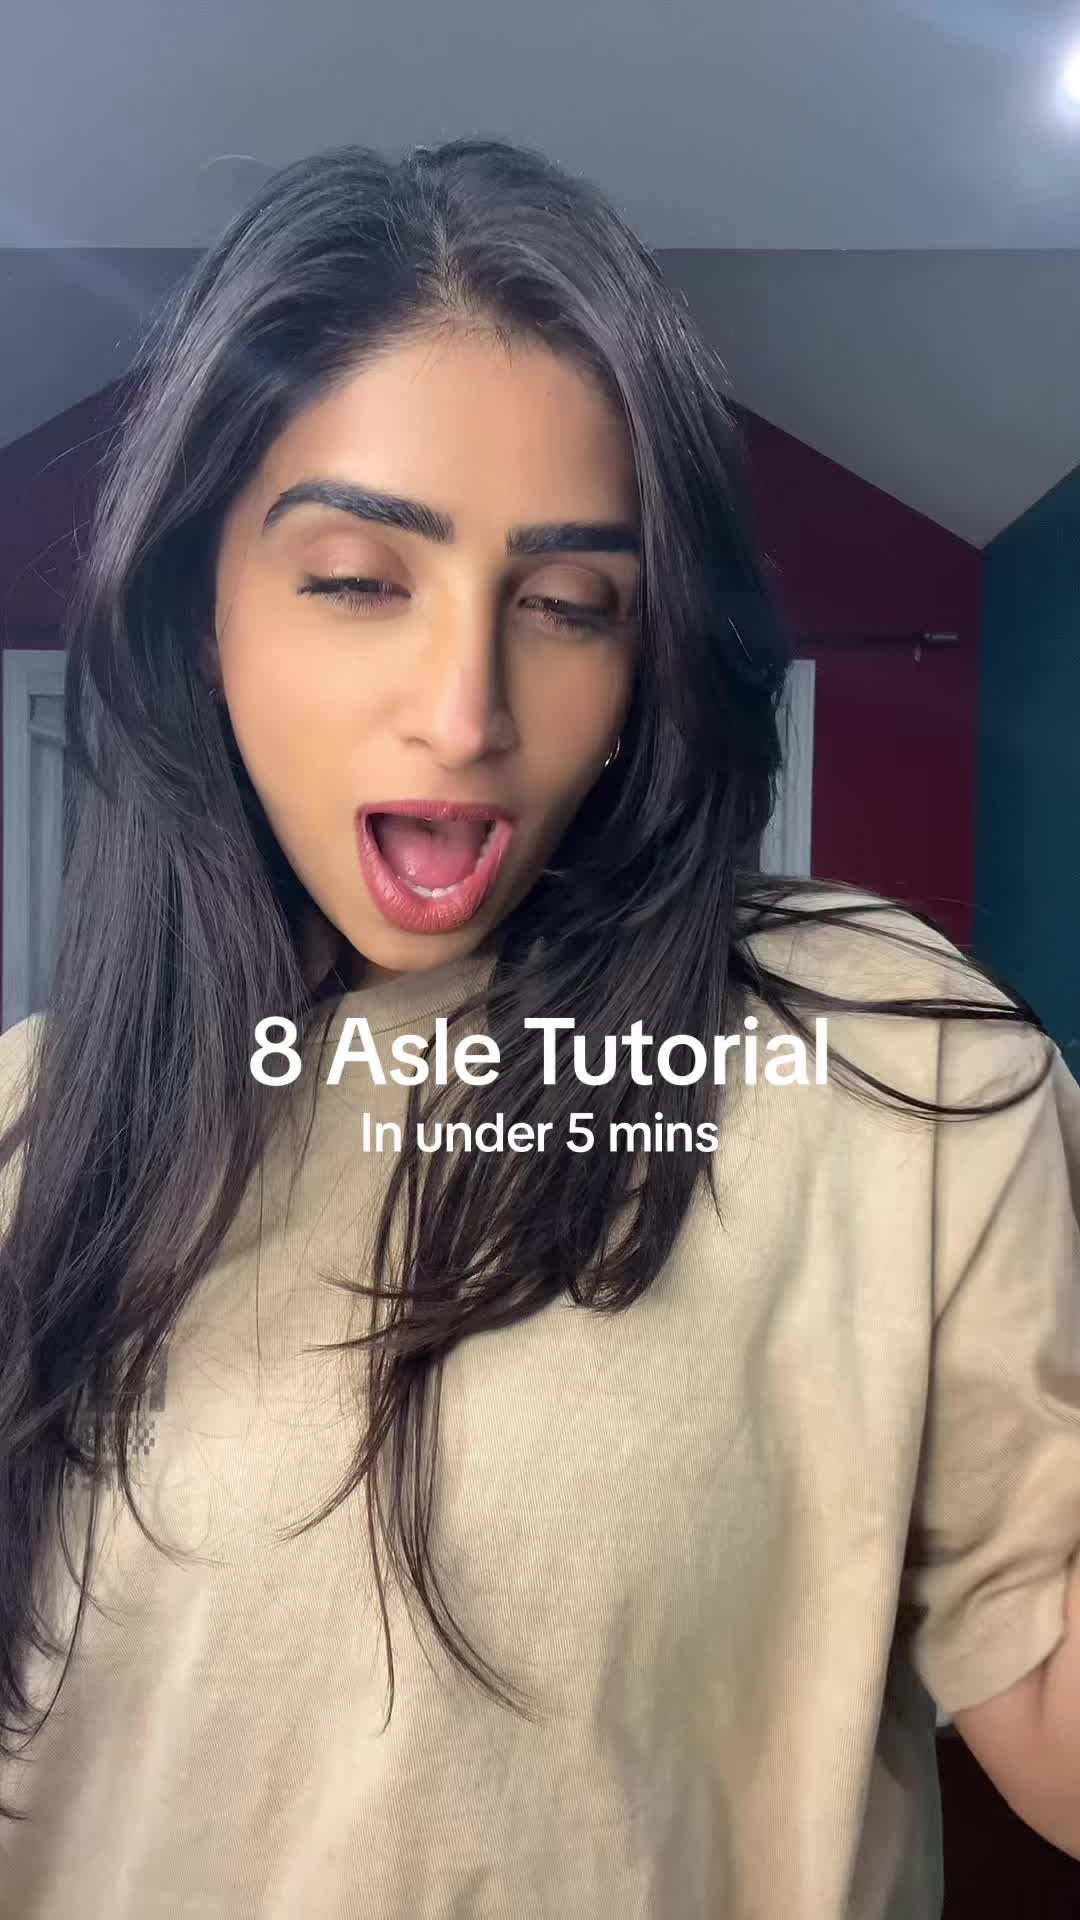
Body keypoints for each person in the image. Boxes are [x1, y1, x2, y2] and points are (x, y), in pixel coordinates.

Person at [0, 136, 1078, 1920]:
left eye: (571, 605)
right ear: (202, 616)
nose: (464, 709)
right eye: (359, 578)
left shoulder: (890, 1064)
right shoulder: (28, 1133)